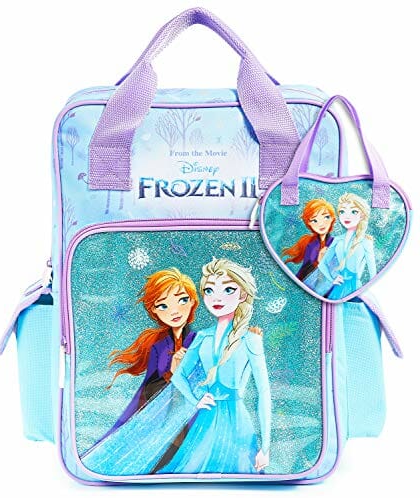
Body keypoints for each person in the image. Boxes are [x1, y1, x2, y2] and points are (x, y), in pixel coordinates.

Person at [158, 257, 271, 474]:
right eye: (209, 291)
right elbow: (178, 376)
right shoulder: (202, 337)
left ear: (243, 295)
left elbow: (264, 392)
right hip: (207, 418)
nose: (216, 298)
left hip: (237, 420)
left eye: (228, 290)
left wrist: (265, 447)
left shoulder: (250, 339)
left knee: (240, 472)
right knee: (190, 470)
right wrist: (196, 400)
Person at [84, 267, 199, 469]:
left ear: (192, 301)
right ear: (154, 310)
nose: (174, 311)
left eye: (182, 300)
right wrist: (171, 374)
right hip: (162, 413)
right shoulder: (158, 345)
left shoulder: (199, 341)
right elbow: (149, 385)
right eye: (163, 305)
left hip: (195, 410)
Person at [318, 192, 376, 299]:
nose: (347, 216)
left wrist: (368, 290)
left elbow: (373, 273)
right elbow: (322, 264)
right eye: (342, 211)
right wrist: (332, 279)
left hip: (356, 288)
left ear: (362, 215)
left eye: (354, 211)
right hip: (339, 287)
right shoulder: (337, 240)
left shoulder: (365, 241)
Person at [282, 198, 336, 282]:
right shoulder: (309, 243)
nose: (321, 224)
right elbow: (304, 269)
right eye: (314, 220)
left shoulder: (336, 243)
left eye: (326, 217)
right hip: (307, 282)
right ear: (309, 223)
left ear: (332, 218)